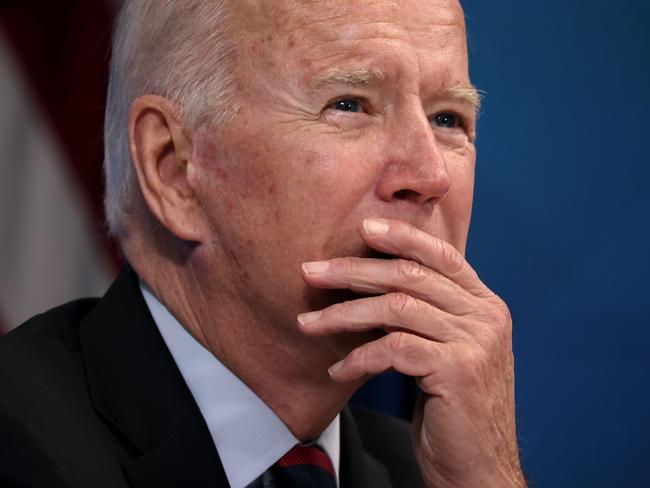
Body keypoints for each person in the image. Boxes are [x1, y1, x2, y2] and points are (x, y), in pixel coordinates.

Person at [0, 0, 526, 486]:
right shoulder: (20, 441)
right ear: (175, 169)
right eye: (349, 104)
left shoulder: (431, 470)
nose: (429, 173)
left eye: (447, 119)